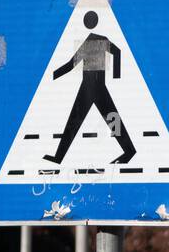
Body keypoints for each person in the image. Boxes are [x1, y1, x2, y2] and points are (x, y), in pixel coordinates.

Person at [43, 10, 136, 165]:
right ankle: (58, 157)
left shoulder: (93, 40)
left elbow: (70, 65)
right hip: (90, 85)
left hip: (95, 86)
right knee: (88, 120)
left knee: (108, 118)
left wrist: (117, 75)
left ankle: (129, 151)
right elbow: (71, 65)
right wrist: (52, 75)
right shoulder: (91, 41)